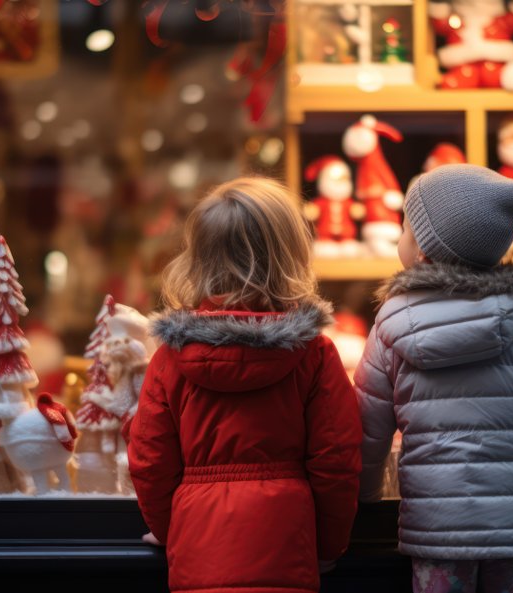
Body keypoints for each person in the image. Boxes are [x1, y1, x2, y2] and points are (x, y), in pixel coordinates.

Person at [355, 164, 513, 593]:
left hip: (436, 525)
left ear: (423, 250)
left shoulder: (390, 326)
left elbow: (368, 430)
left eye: (406, 228)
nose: (400, 237)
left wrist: (366, 498)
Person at [127, 177, 363, 593]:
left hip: (198, 555)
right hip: (289, 551)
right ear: (291, 254)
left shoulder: (170, 359)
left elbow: (149, 462)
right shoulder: (315, 354)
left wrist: (170, 531)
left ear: (197, 259)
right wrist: (327, 547)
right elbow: (337, 462)